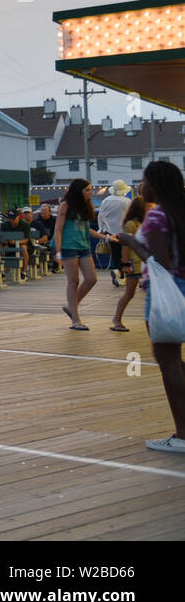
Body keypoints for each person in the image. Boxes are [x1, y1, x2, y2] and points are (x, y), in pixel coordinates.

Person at [117, 161, 185, 452]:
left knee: (169, 363)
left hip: (166, 294)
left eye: (142, 181)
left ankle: (182, 436)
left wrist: (130, 240)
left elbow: (160, 262)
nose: (140, 186)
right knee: (179, 364)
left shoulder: (158, 215)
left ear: (155, 183)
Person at [54, 179, 113, 330]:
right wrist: (58, 251)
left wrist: (106, 237)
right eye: (87, 190)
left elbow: (87, 229)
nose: (90, 192)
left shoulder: (85, 206)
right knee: (73, 282)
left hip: (83, 246)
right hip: (69, 247)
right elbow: (58, 230)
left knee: (92, 279)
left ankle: (71, 307)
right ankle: (76, 319)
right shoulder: (65, 205)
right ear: (78, 191)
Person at [111, 196, 147, 332]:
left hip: (142, 262)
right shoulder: (131, 224)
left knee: (134, 292)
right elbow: (125, 245)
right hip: (134, 262)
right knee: (129, 293)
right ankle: (116, 319)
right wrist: (125, 263)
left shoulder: (142, 223)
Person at [99, 180, 132, 288]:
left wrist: (101, 229)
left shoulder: (105, 201)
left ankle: (117, 271)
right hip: (124, 232)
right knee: (125, 255)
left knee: (115, 254)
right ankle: (120, 274)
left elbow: (101, 216)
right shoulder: (127, 201)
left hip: (109, 232)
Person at [32, 204, 59, 272]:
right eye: (42, 210)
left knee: (53, 245)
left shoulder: (54, 221)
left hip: (52, 240)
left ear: (49, 212)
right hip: (40, 240)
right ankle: (43, 264)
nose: (43, 212)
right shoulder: (37, 221)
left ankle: (56, 265)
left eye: (45, 210)